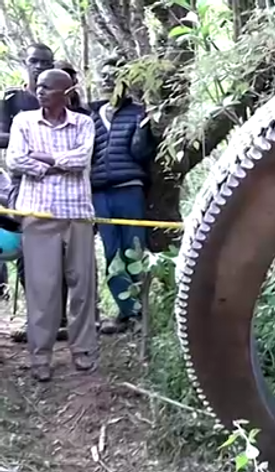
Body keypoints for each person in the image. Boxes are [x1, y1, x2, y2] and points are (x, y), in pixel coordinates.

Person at [6, 68, 98, 383]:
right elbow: (16, 160)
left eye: (47, 87)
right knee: (42, 288)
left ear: (66, 92)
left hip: (77, 212)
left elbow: (81, 160)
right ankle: (40, 356)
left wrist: (42, 159)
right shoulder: (23, 121)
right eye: (39, 86)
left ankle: (83, 349)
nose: (40, 90)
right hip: (38, 213)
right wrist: (59, 162)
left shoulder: (84, 123)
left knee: (82, 284)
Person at [0, 43, 71, 342]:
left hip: (59, 182)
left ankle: (62, 319)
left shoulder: (64, 95)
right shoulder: (12, 99)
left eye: (46, 61)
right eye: (34, 61)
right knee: (28, 253)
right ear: (25, 63)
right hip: (23, 183)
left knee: (60, 252)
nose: (40, 66)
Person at [89, 55, 155, 334]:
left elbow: (141, 153)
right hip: (100, 193)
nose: (107, 81)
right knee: (112, 251)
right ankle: (128, 311)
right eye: (103, 76)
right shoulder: (89, 116)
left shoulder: (139, 112)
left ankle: (140, 313)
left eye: (113, 76)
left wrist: (149, 125)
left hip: (130, 189)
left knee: (135, 249)